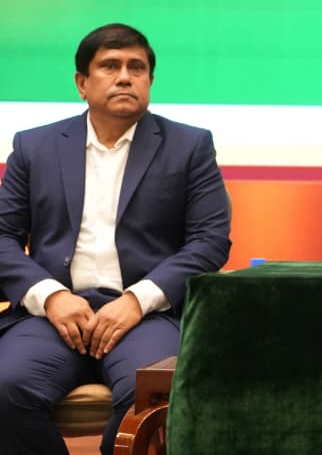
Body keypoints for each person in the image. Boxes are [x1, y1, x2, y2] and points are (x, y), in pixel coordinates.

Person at [0, 24, 232, 455]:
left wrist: (138, 300)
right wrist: (50, 296)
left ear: (149, 80)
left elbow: (210, 240)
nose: (125, 77)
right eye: (110, 66)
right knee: (5, 386)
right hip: (53, 316)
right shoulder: (35, 146)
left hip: (146, 317)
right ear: (82, 83)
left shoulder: (189, 146)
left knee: (148, 398)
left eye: (136, 68)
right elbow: (2, 236)